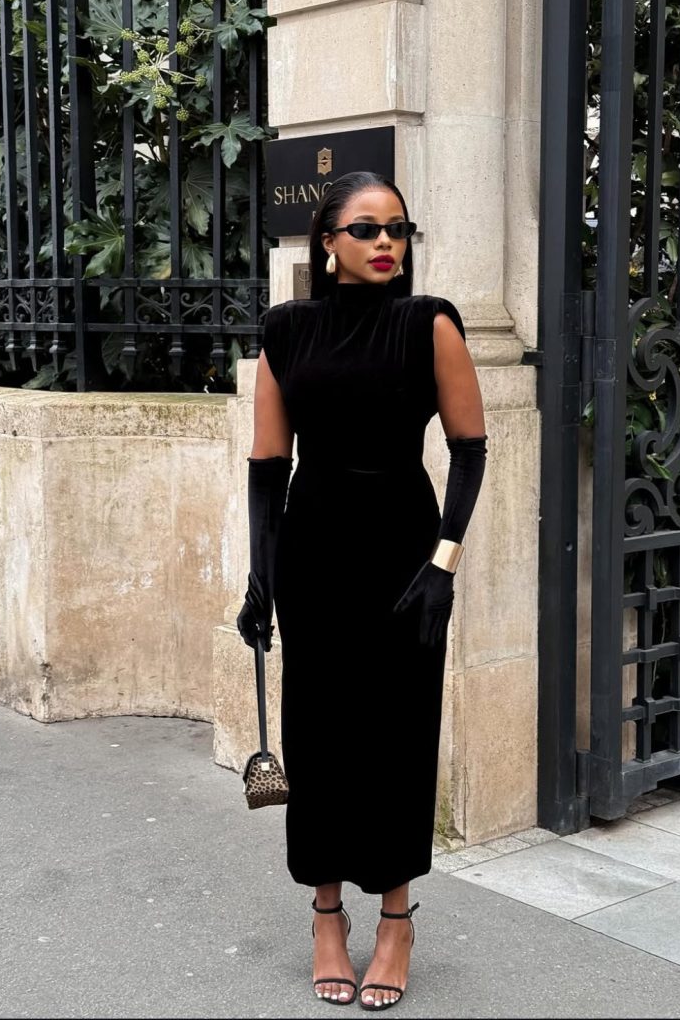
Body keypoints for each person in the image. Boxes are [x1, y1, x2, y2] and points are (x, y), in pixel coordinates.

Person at [237, 171, 487, 1011]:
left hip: (404, 555)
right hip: (313, 552)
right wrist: (260, 577)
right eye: (368, 229)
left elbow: (470, 449)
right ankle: (325, 916)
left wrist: (443, 565)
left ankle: (396, 920)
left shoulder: (430, 323)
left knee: (396, 735)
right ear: (328, 243)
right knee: (320, 735)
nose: (386, 243)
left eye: (398, 229)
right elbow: (267, 467)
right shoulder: (287, 330)